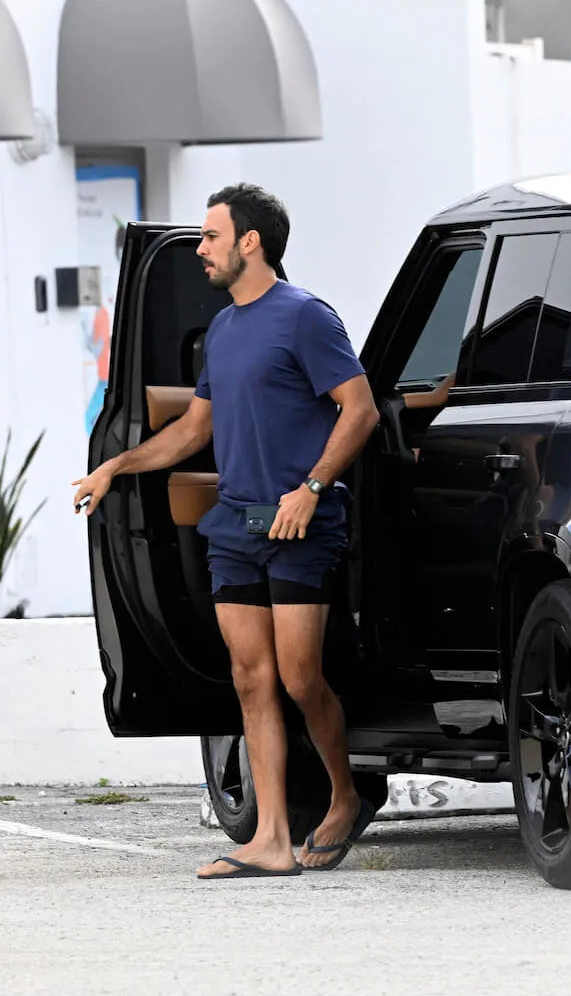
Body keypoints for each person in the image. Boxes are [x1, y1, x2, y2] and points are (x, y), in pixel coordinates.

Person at [73, 184, 381, 879]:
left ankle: (343, 796)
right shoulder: (224, 328)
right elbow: (195, 427)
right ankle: (272, 838)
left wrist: (310, 489)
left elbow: (358, 411)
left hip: (302, 522)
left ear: (251, 242)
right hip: (235, 526)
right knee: (251, 678)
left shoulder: (304, 317)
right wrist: (116, 466)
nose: (200, 251)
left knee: (302, 678)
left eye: (210, 237)